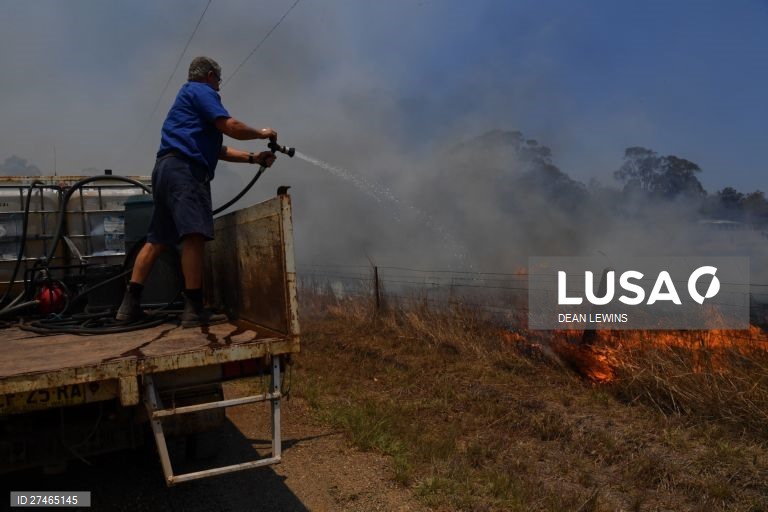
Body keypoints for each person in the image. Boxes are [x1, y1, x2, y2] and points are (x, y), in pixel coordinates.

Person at [116, 56, 278, 327]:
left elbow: (219, 150)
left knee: (156, 240)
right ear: (210, 75)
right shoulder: (200, 91)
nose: (219, 87)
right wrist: (262, 133)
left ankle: (128, 305)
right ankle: (193, 309)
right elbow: (231, 127)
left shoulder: (186, 103)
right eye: (219, 80)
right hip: (186, 173)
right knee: (194, 237)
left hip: (166, 169)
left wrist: (254, 158)